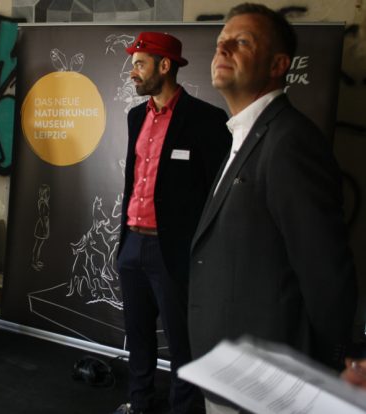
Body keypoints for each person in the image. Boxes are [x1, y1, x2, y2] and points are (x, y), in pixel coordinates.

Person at [187, 3, 357, 413]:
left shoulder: (289, 143)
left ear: (279, 64)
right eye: (220, 41)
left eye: (241, 41)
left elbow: (326, 273)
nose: (222, 48)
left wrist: (333, 365)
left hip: (267, 381)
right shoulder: (245, 136)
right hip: (231, 369)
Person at [114, 32, 231, 414]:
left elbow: (219, 195)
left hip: (174, 252)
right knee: (138, 337)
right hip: (132, 244)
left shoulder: (207, 121)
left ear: (165, 66)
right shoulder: (135, 117)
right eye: (133, 64)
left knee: (182, 343)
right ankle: (140, 403)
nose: (133, 72)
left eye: (140, 63)